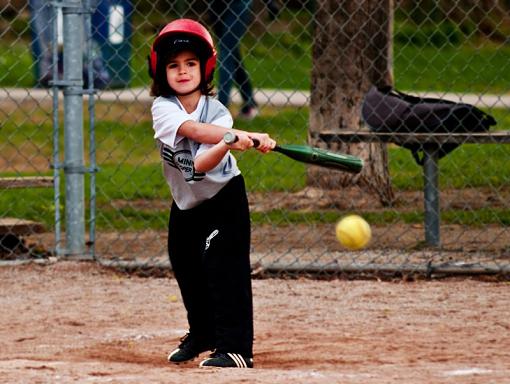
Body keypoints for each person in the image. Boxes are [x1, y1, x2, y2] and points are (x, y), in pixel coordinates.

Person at [148, 18, 275, 368]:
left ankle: (235, 347)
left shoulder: (217, 111)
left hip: (224, 198)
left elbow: (205, 162)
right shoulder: (163, 108)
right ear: (161, 70)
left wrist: (227, 139)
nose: (183, 71)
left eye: (191, 63)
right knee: (185, 263)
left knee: (223, 263)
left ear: (206, 67)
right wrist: (234, 136)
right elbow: (194, 134)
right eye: (174, 65)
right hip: (187, 202)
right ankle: (203, 332)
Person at [209, 0, 258, 119]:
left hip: (238, 4)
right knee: (231, 53)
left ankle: (221, 110)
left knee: (226, 51)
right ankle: (249, 102)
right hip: (216, 6)